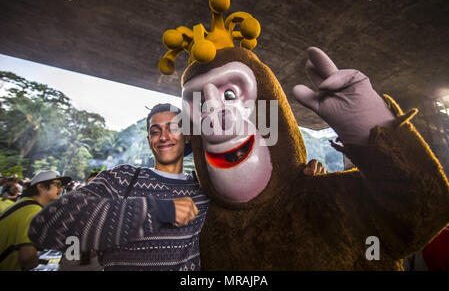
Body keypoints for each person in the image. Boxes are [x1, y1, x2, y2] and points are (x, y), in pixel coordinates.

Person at [28, 103, 326, 271]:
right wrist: (159, 210)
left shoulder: (209, 189)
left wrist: (305, 189)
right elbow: (47, 225)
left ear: (187, 137)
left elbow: (261, 220)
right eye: (154, 131)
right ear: (149, 141)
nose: (163, 136)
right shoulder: (122, 178)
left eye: (172, 128)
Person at [0, 170, 70, 271]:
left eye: (61, 185)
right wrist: (35, 261)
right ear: (40, 186)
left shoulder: (25, 204)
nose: (60, 189)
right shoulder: (33, 211)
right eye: (57, 184)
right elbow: (27, 258)